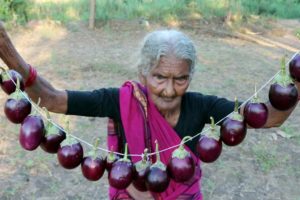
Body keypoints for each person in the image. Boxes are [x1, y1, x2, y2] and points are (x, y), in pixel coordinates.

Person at [0, 22, 299, 200]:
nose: (169, 90)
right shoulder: (119, 100)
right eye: (159, 77)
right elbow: (50, 99)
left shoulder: (203, 107)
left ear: (190, 76)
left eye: (180, 79)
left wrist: (296, 76)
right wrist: (8, 51)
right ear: (143, 74)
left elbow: (272, 117)